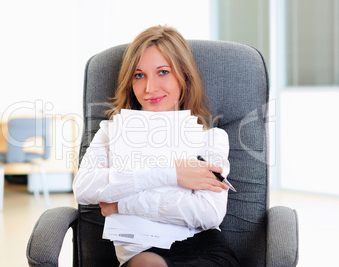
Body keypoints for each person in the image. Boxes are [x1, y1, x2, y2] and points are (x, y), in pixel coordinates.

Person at [73, 25, 240, 267]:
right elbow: (84, 188)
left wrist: (121, 203)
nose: (150, 88)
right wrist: (171, 174)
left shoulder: (211, 138)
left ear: (183, 75)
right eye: (139, 75)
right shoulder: (111, 132)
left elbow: (208, 213)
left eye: (162, 72)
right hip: (142, 252)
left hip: (204, 248)